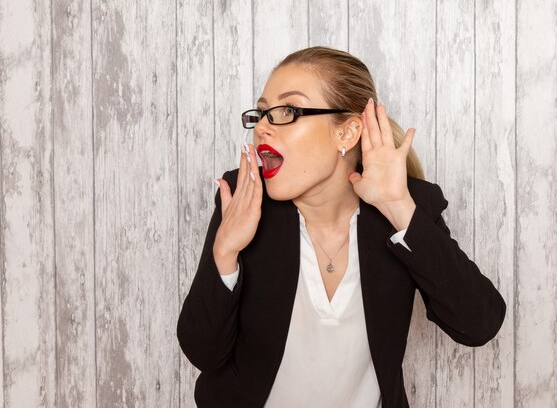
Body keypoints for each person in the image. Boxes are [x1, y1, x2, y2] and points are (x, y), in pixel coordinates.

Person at [177, 46, 506, 408]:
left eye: (287, 110)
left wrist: (398, 207)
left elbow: (479, 323)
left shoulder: (405, 206)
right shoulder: (244, 197)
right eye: (263, 112)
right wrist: (225, 252)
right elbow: (203, 353)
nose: (264, 128)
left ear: (347, 134)